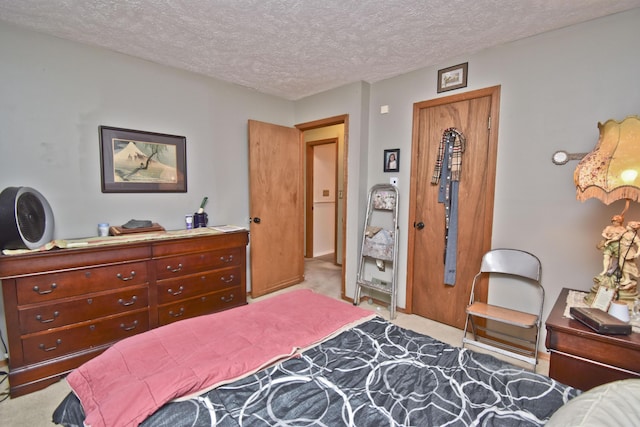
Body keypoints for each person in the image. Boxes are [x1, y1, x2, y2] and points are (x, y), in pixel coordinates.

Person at [618, 221, 640, 288]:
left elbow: (639, 245)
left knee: (626, 265)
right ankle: (624, 277)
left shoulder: (634, 236)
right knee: (621, 264)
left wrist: (638, 253)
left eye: (628, 226)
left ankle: (627, 279)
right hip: (622, 250)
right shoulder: (625, 232)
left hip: (628, 252)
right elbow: (618, 237)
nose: (626, 226)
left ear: (633, 228)